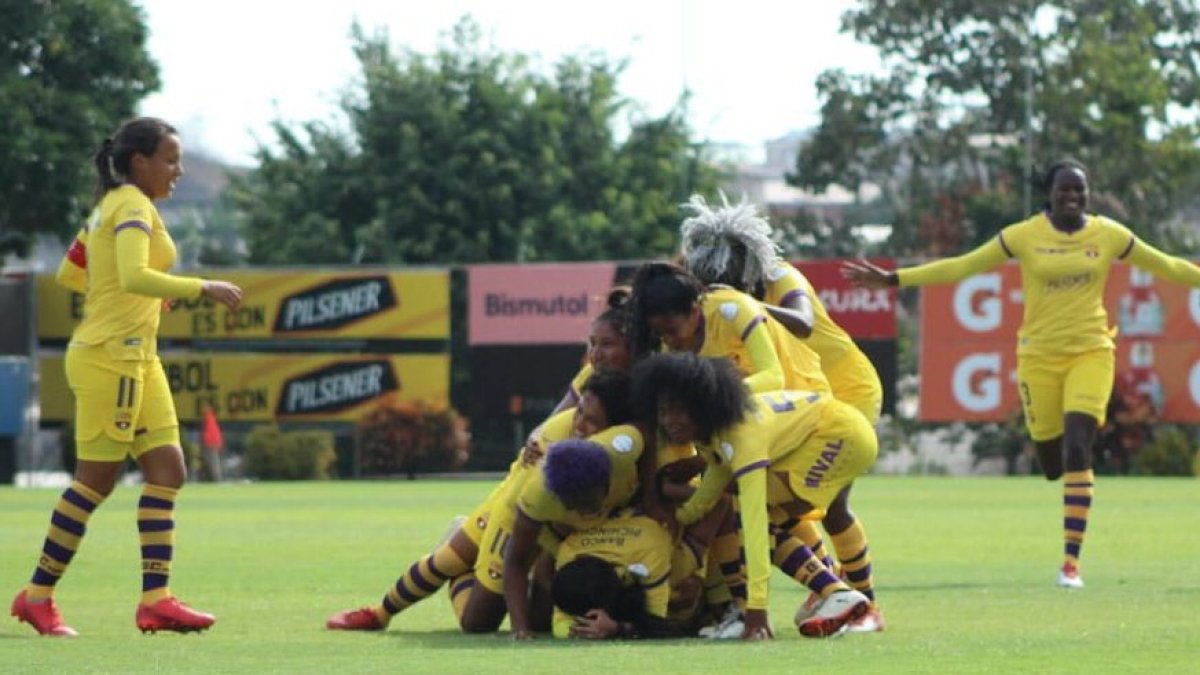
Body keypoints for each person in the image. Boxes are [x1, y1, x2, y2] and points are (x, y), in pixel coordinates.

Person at [843, 159, 1200, 588]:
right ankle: (1064, 481)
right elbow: (962, 266)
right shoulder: (1024, 235)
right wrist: (896, 280)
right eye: (1065, 190)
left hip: (1092, 351)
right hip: (1038, 358)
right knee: (1051, 462)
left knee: (1077, 449)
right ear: (1049, 194)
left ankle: (1071, 564)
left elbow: (1167, 266)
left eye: (1080, 191)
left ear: (1088, 195)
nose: (1073, 197)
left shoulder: (1108, 234)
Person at [11, 117, 243, 636]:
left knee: (168, 470)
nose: (178, 170)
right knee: (95, 482)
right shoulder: (132, 206)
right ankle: (37, 596)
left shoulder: (110, 207)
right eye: (170, 159)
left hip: (138, 356)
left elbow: (72, 272)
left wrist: (116, 287)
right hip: (110, 357)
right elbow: (136, 276)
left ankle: (156, 600)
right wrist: (200, 286)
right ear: (140, 162)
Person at [679, 193, 885, 631]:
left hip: (847, 389)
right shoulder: (722, 306)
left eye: (730, 280)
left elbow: (803, 321)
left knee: (830, 507)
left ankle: (865, 605)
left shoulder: (779, 278)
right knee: (774, 499)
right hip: (797, 397)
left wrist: (744, 302)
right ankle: (830, 590)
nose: (723, 287)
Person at [631, 352, 876, 639]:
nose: (668, 420)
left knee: (750, 514)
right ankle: (824, 591)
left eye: (677, 410)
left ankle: (828, 593)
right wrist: (681, 517)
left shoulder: (740, 434)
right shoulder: (712, 432)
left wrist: (758, 610)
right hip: (836, 431)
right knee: (758, 512)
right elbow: (715, 481)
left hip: (841, 434)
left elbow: (754, 518)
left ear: (701, 406)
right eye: (662, 412)